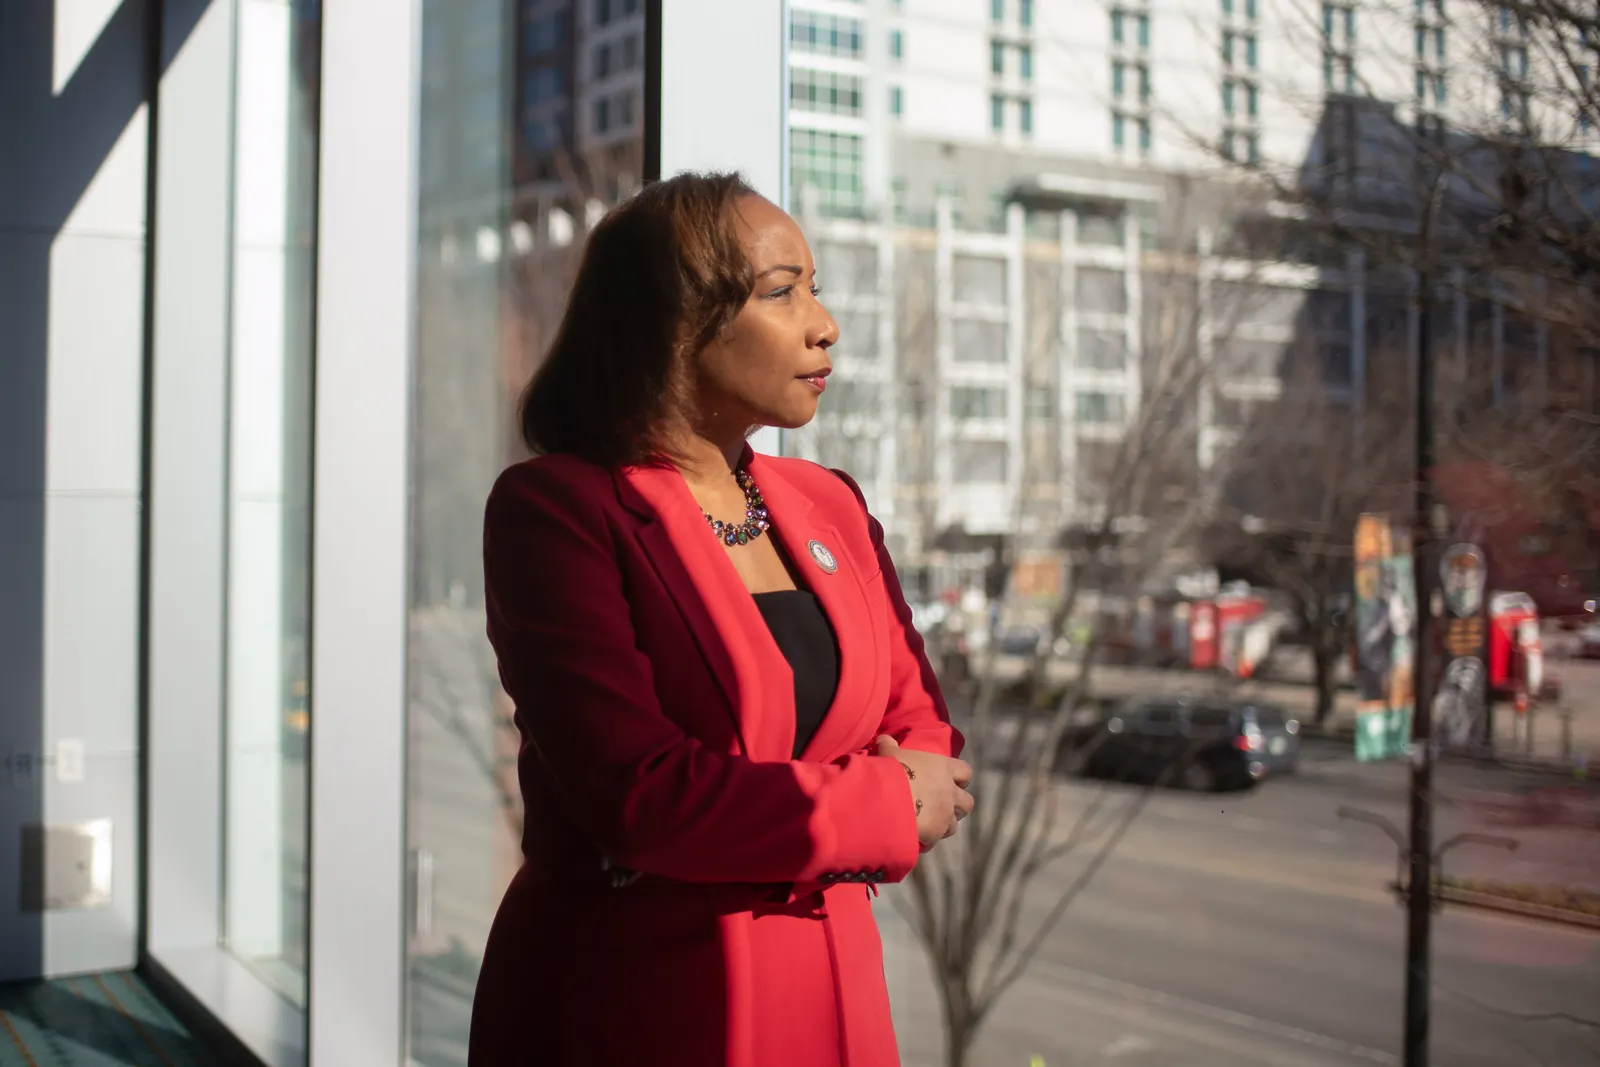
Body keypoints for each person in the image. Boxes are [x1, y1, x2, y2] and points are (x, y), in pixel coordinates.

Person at [468, 172, 975, 1067]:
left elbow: (922, 727)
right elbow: (641, 795)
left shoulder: (830, 502)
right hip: (639, 1005)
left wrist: (842, 799)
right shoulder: (556, 509)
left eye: (814, 288)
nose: (825, 325)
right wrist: (882, 802)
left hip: (834, 1000)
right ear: (674, 324)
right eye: (783, 292)